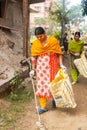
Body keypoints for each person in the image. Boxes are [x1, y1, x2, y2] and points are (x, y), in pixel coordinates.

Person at [29, 27, 66, 114]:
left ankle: (55, 100)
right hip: (41, 69)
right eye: (37, 37)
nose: (39, 38)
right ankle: (43, 106)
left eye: (40, 36)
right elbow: (34, 57)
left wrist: (61, 64)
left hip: (53, 66)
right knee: (41, 86)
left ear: (45, 33)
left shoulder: (53, 41)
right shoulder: (35, 44)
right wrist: (33, 70)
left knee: (54, 84)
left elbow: (59, 53)